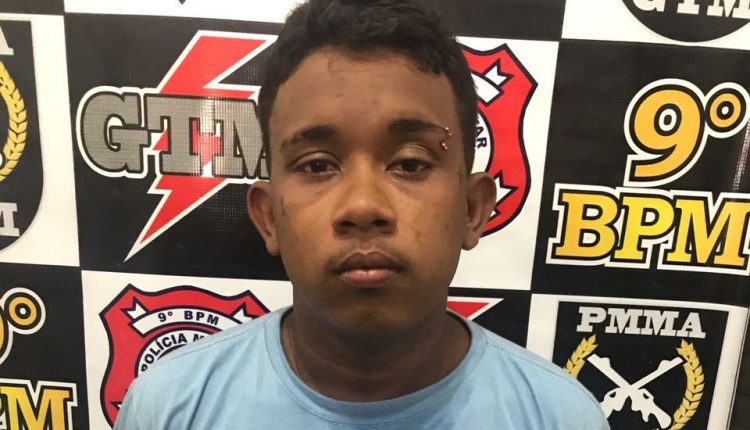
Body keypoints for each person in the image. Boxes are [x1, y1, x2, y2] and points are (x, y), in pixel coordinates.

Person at [113, 0, 610, 428]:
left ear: (472, 209)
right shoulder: (170, 407)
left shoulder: (559, 417)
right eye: (318, 165)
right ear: (269, 218)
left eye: (410, 163)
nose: (363, 206)